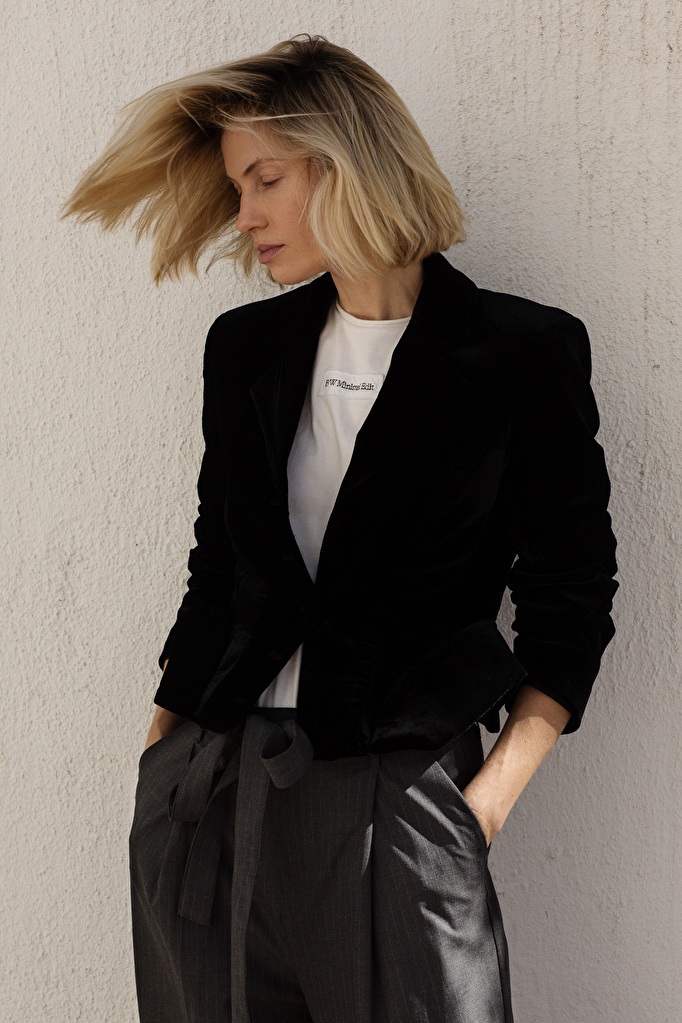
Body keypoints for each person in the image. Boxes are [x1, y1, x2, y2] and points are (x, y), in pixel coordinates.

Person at [62, 34, 619, 1023]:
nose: (245, 215)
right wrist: (160, 766)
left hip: (398, 799)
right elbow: (219, 567)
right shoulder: (248, 348)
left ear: (345, 160)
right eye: (237, 187)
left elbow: (569, 600)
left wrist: (478, 810)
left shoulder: (519, 353)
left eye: (265, 179)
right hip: (217, 790)